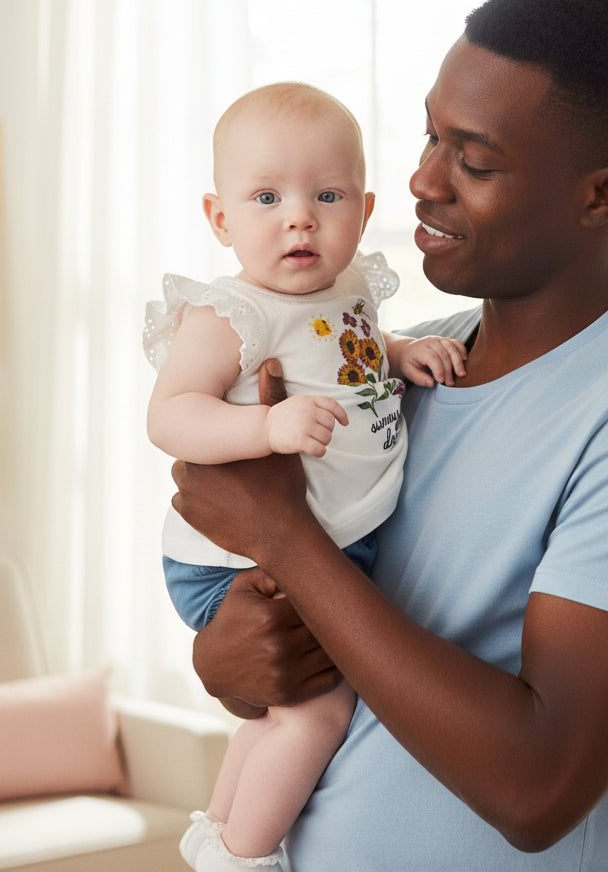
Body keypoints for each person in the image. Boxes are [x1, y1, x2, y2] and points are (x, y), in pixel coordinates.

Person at [170, 0, 608, 871]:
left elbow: (537, 786)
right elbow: (304, 618)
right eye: (430, 136)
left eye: (475, 162)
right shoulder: (399, 360)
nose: (420, 181)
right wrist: (231, 658)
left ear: (602, 194)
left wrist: (283, 534)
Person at [143, 82, 467, 871]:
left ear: (363, 208)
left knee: (276, 716)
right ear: (221, 219)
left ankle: (213, 830)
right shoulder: (233, 315)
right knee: (318, 714)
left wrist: (398, 354)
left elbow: (346, 353)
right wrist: (263, 426)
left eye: (328, 194)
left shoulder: (348, 290)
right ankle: (246, 858)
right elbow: (171, 414)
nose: (300, 217)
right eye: (266, 197)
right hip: (237, 560)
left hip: (322, 545)